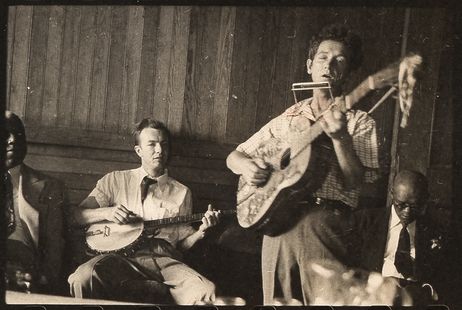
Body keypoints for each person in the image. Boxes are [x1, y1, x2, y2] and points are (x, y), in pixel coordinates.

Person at [226, 24, 381, 304]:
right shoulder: (289, 116)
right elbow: (234, 156)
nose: (329, 65)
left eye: (339, 60)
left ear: (348, 73)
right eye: (322, 57)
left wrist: (340, 137)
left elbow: (356, 181)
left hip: (325, 225)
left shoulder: (359, 121)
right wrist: (247, 167)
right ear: (310, 65)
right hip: (277, 223)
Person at [67, 118, 221, 305]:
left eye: (164, 144)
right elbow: (74, 216)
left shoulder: (182, 192)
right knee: (83, 277)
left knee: (205, 290)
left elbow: (181, 245)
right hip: (119, 258)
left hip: (164, 259)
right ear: (138, 150)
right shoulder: (114, 180)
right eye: (152, 144)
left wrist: (201, 232)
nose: (160, 150)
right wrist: (106, 213)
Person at [351, 170, 447, 305]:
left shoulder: (435, 230)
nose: (407, 212)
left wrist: (422, 291)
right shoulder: (365, 221)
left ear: (425, 199)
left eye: (414, 206)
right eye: (401, 205)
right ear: (392, 194)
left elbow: (445, 277)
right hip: (372, 296)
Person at [3, 111, 65, 294]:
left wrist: (43, 279)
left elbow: (56, 245)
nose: (13, 139)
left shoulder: (50, 187)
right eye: (5, 134)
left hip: (29, 274)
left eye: (18, 134)